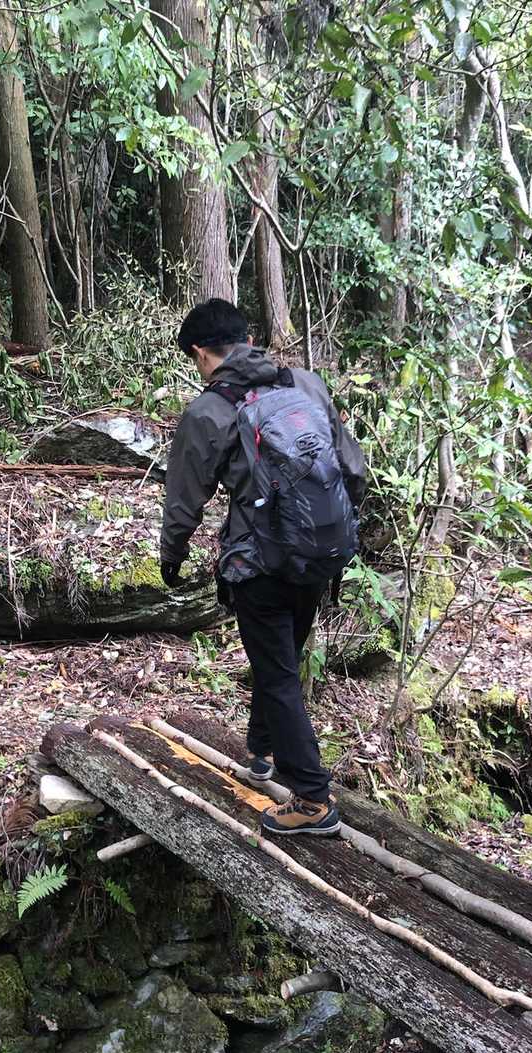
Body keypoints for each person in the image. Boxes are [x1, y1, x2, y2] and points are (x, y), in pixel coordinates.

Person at [159, 298, 365, 836]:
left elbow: (185, 497)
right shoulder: (306, 384)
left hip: (259, 565)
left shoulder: (209, 411)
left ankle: (312, 799)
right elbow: (352, 469)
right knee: (282, 659)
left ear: (201, 353)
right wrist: (334, 535)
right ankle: (262, 750)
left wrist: (172, 556)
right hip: (318, 554)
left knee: (276, 673)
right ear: (248, 340)